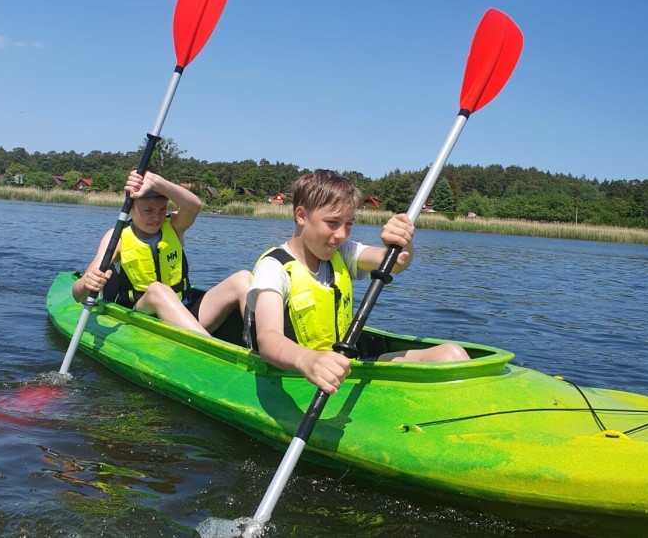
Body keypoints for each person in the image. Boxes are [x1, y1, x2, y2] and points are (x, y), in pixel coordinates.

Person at [244, 169, 469, 395]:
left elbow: (396, 263)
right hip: (302, 372)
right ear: (301, 216)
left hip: (349, 365)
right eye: (332, 222)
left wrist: (403, 241)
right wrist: (308, 360)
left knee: (452, 354)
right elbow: (269, 338)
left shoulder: (342, 252)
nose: (342, 234)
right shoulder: (274, 268)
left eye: (349, 223)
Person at [72, 169, 250, 337]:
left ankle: (261, 348)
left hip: (185, 308)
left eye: (162, 209)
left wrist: (156, 181)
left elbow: (194, 205)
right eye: (148, 210)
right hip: (142, 315)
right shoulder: (117, 237)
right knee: (157, 289)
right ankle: (210, 348)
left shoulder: (174, 225)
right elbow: (77, 293)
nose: (156, 217)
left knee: (243, 278)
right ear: (131, 209)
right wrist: (88, 283)